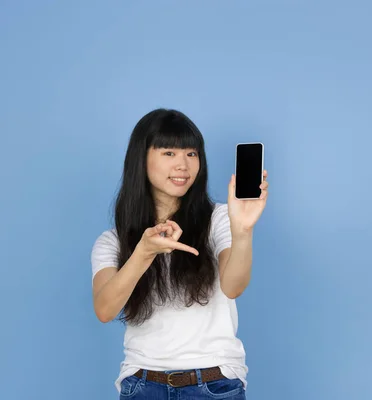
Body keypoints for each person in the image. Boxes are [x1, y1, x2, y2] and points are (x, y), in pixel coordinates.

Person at [90, 108, 268, 399]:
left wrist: (243, 231)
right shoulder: (112, 241)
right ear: (141, 159)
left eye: (192, 153)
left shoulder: (220, 219)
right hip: (142, 385)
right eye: (169, 153)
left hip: (214, 384)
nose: (183, 165)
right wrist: (143, 253)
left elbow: (234, 286)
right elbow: (105, 309)